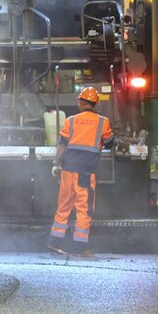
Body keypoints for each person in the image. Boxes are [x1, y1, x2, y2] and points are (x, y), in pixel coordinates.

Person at [49, 86, 115, 256]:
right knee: (84, 210)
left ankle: (54, 242)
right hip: (85, 173)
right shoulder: (103, 121)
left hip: (67, 171)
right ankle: (80, 248)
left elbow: (62, 145)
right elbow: (110, 143)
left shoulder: (71, 120)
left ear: (82, 102)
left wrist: (56, 164)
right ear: (95, 104)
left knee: (63, 207)